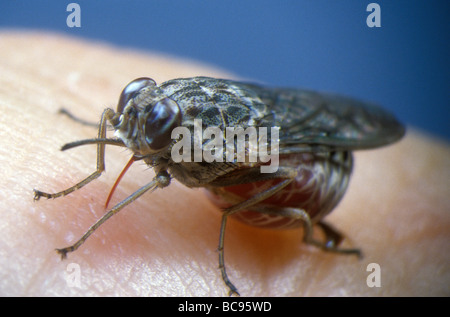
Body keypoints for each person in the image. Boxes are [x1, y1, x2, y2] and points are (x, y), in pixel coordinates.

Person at [1, 32, 448, 296]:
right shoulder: (164, 114)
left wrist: (82, 239)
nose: (128, 120)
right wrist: (97, 171)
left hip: (314, 161)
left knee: (276, 172)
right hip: (265, 114)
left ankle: (309, 237)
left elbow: (283, 167)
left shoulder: (208, 142)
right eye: (136, 98)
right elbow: (119, 119)